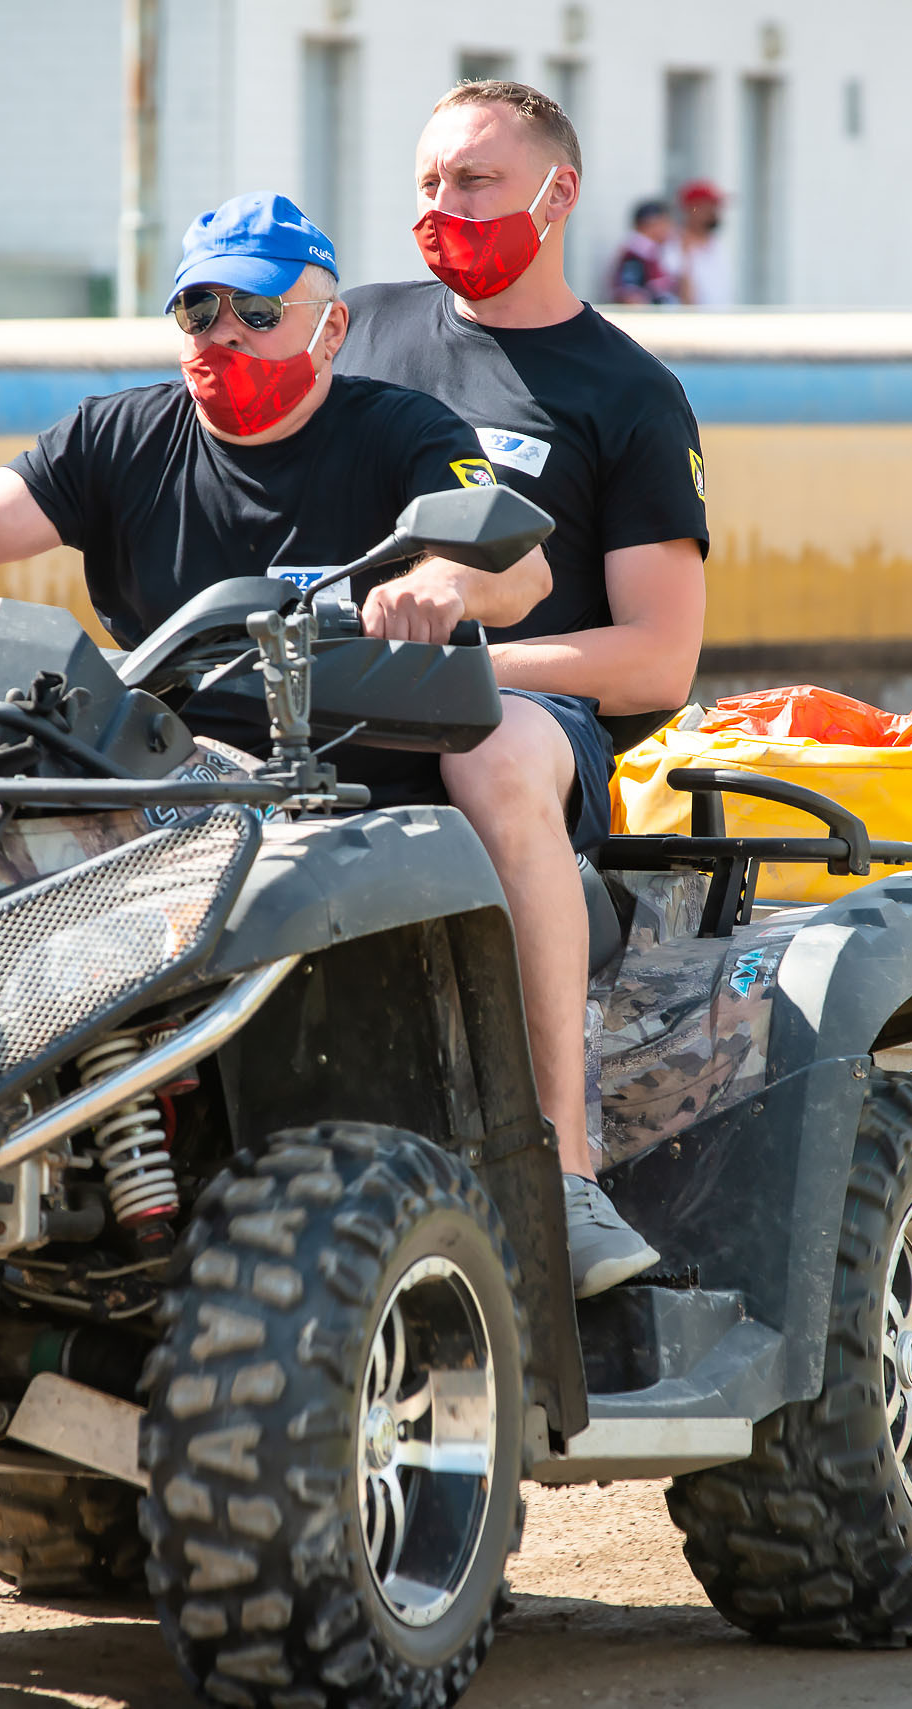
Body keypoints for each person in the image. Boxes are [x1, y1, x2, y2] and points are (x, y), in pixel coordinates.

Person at [0, 191, 550, 806]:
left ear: (332, 328)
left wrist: (438, 585)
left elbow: (520, 568)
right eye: (198, 310)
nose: (226, 333)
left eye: (258, 310)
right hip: (144, 783)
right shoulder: (115, 435)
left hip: (353, 797)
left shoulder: (407, 431)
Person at [334, 79, 710, 1298]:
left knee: (482, 743)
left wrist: (471, 668)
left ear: (559, 194)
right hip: (326, 705)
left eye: (475, 180)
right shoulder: (350, 331)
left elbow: (657, 657)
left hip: (533, 726)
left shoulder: (625, 392)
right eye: (427, 182)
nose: (442, 206)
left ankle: (564, 1165)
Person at [668, 179, 734, 307]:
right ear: (693, 208)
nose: (715, 212)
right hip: (689, 318)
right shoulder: (673, 245)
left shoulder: (717, 245)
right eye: (709, 206)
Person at [606, 198, 677, 305]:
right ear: (651, 224)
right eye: (665, 223)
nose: (669, 228)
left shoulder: (652, 252)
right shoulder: (635, 254)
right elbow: (630, 297)